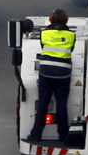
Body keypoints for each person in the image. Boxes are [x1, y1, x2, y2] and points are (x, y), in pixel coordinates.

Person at [25, 9, 75, 143]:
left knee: (43, 104)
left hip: (46, 73)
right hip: (63, 74)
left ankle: (36, 135)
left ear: (51, 19)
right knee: (62, 105)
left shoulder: (44, 33)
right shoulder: (71, 35)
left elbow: (43, 47)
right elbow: (71, 49)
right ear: (67, 20)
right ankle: (63, 136)